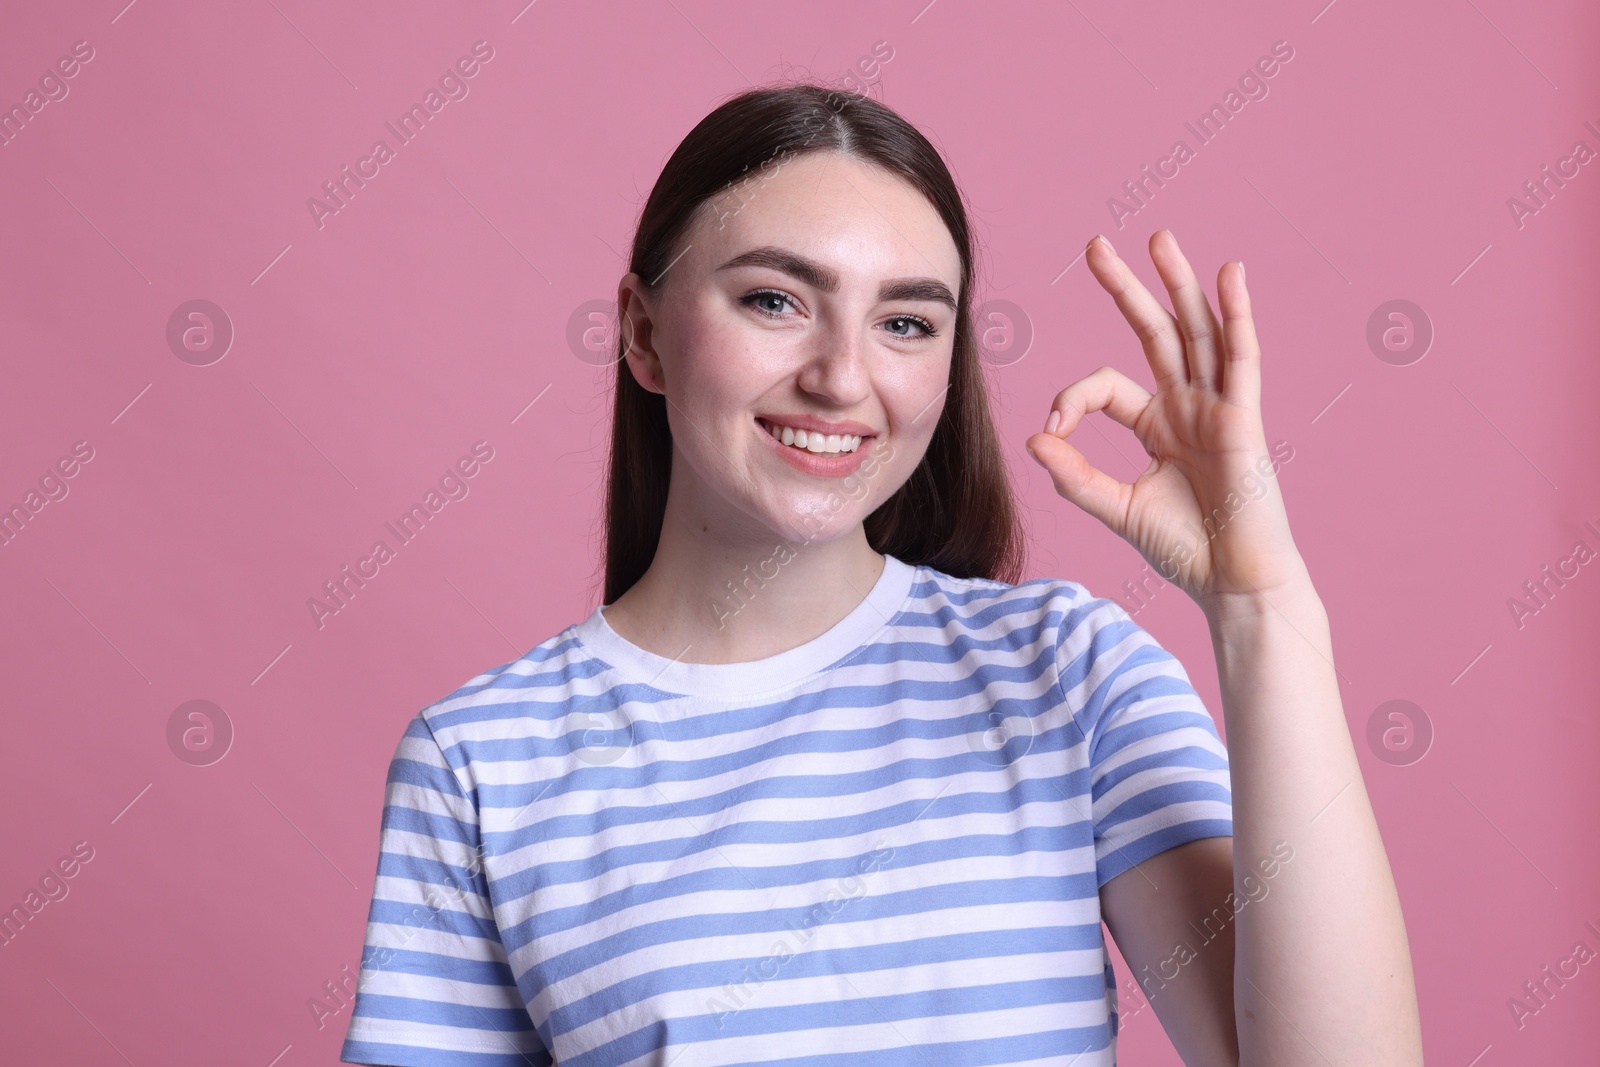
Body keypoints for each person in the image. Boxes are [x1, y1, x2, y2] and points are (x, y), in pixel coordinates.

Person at [340, 82, 1423, 1066]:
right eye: (775, 300)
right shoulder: (482, 762)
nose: (841, 376)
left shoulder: (1066, 674)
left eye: (904, 322)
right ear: (644, 333)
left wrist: (1261, 608)